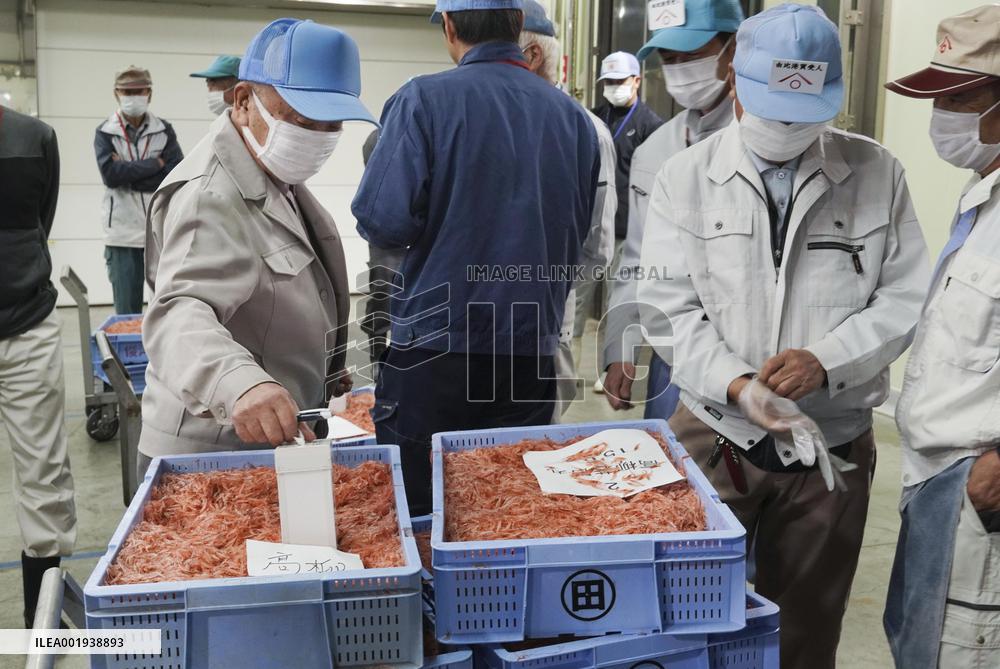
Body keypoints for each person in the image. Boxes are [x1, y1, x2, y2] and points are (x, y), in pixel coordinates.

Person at [636, 5, 929, 667]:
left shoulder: (877, 172)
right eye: (774, 112)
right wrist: (739, 385)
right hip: (715, 430)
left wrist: (827, 360)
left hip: (830, 439)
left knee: (804, 630)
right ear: (734, 82)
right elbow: (667, 305)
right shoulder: (686, 176)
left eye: (803, 116)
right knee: (680, 615)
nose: (787, 130)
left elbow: (905, 297)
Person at [353, 0, 600, 516]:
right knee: (509, 514)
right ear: (518, 25)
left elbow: (383, 221)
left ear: (449, 26)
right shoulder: (574, 120)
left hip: (436, 352)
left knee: (424, 512)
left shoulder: (423, 100)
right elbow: (578, 237)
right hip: (530, 356)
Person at [138, 19, 374, 471]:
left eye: (332, 124)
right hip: (211, 454)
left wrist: (317, 366)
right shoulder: (211, 195)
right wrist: (239, 382)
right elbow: (178, 311)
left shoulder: (275, 175)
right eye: (303, 121)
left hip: (269, 441)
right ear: (244, 100)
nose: (318, 137)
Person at [883, 6, 1000, 668]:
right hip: (935, 483)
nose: (942, 115)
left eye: (960, 98)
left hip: (980, 490)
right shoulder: (981, 196)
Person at [602, 0, 743, 420]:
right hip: (673, 354)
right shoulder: (655, 150)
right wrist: (622, 345)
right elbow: (638, 259)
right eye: (669, 59)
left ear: (733, 49)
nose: (680, 69)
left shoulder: (762, 143)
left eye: (692, 55)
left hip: (748, 353)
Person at [518, 0, 616, 420]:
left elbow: (597, 244)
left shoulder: (586, 130)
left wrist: (547, 289)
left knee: (536, 439)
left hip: (546, 323)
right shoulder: (493, 119)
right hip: (483, 326)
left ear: (532, 56)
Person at [0, 105, 77, 627]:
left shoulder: (35, 137)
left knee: (44, 475)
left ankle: (42, 623)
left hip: (26, 325)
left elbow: (38, 222)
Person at [578, 50, 664, 388]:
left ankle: (610, 368)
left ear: (636, 80)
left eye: (620, 80)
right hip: (593, 227)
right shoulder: (591, 118)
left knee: (619, 301)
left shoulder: (650, 126)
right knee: (576, 301)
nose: (614, 87)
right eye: (609, 82)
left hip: (627, 231)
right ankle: (568, 366)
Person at [94, 66, 183, 315]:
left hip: (159, 232)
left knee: (167, 307)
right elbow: (111, 176)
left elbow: (175, 175)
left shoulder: (163, 130)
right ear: (116, 94)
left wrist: (129, 172)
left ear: (149, 94)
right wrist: (155, 164)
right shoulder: (105, 132)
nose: (133, 96)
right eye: (127, 92)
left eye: (139, 91)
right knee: (127, 312)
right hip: (122, 234)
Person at [358, 127, 405, 379]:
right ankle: (377, 354)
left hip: (427, 222)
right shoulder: (378, 138)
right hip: (386, 221)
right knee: (384, 284)